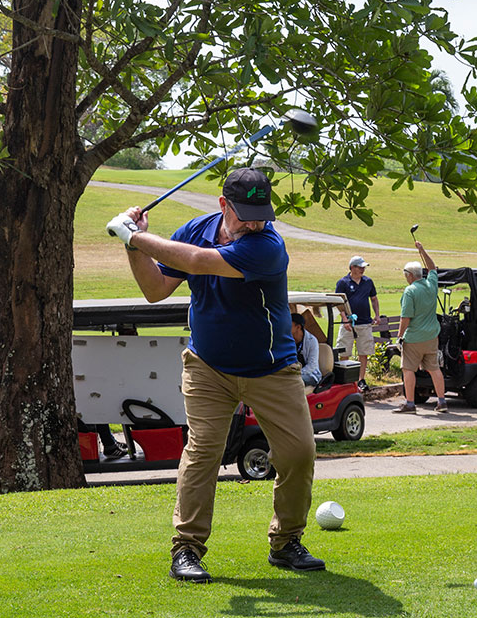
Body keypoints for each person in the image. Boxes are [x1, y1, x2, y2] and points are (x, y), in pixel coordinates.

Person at [107, 167, 323, 583]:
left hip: (271, 368)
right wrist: (132, 247)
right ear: (223, 204)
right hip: (208, 366)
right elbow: (155, 289)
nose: (254, 221)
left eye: (261, 213)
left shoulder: (267, 246)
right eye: (244, 213)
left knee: (298, 453)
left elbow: (195, 261)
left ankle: (286, 541)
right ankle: (186, 549)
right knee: (204, 451)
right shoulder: (195, 229)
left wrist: (134, 236)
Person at [395, 242, 448, 414]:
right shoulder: (431, 285)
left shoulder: (410, 291)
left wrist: (399, 337)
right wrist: (422, 250)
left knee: (408, 369)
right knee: (434, 369)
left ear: (409, 275)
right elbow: (432, 268)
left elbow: (406, 318)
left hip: (414, 338)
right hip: (432, 336)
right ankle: (442, 402)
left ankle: (410, 404)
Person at [334, 256, 381, 391]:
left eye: (363, 267)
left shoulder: (368, 282)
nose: (363, 269)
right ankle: (345, 378)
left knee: (363, 352)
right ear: (352, 267)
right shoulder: (343, 282)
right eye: (360, 267)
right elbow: (339, 302)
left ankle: (361, 379)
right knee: (344, 350)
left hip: (365, 322)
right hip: (348, 323)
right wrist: (344, 319)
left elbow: (374, 299)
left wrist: (377, 315)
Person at [290, 313, 322, 387]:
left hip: (310, 375)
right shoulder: (288, 340)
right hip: (293, 373)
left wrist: (297, 374)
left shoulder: (312, 341)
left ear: (298, 327)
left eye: (289, 325)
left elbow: (312, 365)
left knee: (291, 381)